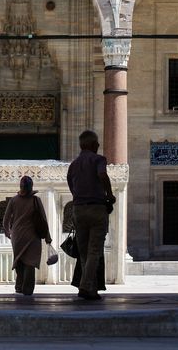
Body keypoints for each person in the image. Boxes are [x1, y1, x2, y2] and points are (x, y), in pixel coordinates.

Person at [66, 129, 116, 301]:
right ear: (94, 145)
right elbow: (102, 174)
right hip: (97, 209)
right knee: (94, 250)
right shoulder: (98, 159)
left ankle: (91, 289)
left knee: (84, 252)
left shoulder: (73, 164)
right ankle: (86, 286)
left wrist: (79, 196)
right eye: (97, 143)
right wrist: (109, 194)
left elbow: (70, 185)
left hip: (78, 210)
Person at [3, 175, 52, 296]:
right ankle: (27, 289)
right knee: (30, 262)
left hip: (17, 236)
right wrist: (47, 237)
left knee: (19, 260)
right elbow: (43, 220)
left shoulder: (14, 200)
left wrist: (7, 232)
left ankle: (19, 286)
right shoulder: (36, 200)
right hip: (32, 236)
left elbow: (6, 218)